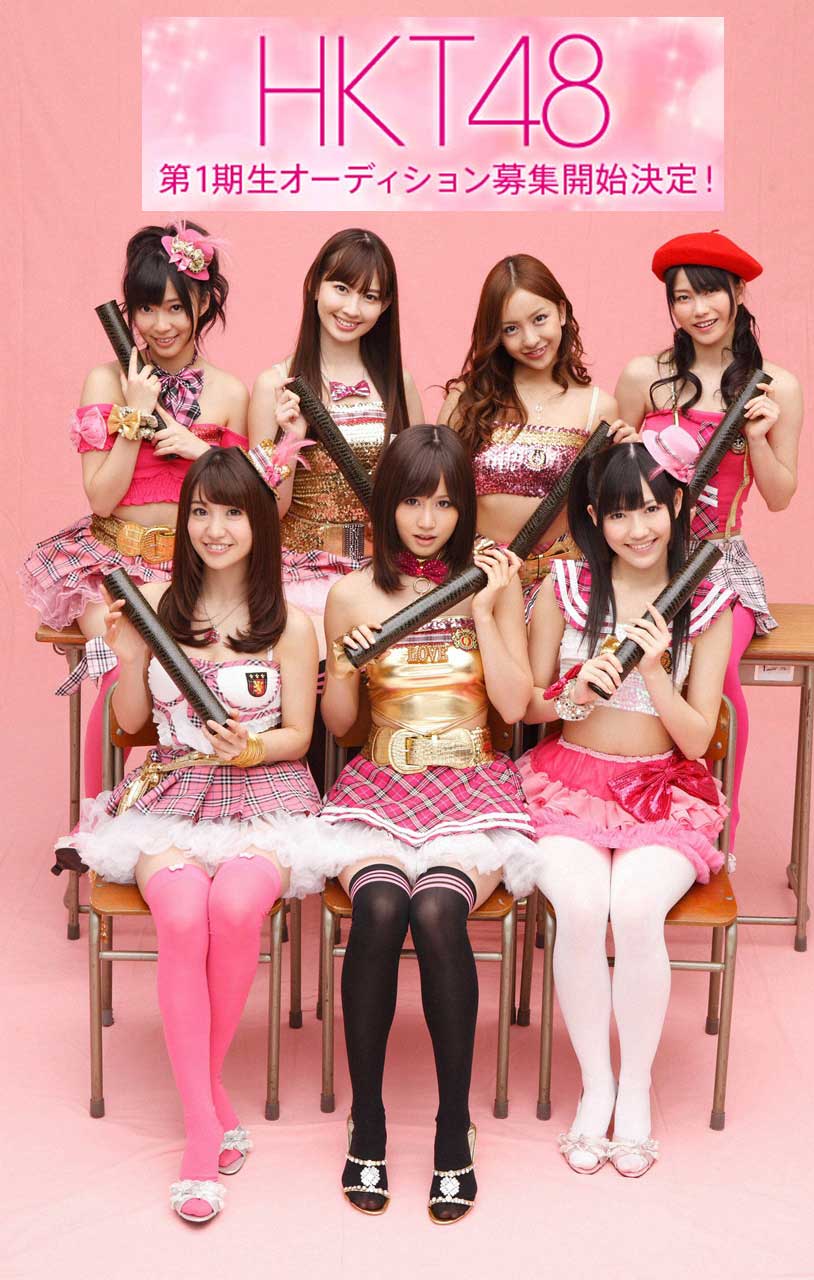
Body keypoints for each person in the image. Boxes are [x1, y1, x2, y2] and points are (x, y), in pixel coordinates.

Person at [70, 446, 331, 1224]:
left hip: (266, 795)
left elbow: (300, 734)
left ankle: (200, 1112)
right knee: (183, 917)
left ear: (260, 524)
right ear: (185, 521)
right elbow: (128, 722)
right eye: (202, 512)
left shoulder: (292, 624)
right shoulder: (154, 603)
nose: (215, 528)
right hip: (172, 794)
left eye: (233, 513)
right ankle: (204, 1118)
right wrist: (121, 651)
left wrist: (251, 747)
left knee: (236, 908)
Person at [320, 425, 537, 1222]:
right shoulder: (351, 595)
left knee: (439, 909)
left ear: (464, 510)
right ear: (386, 502)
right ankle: (368, 1121)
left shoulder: (494, 579)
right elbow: (342, 727)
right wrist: (344, 670)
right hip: (381, 780)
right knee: (381, 906)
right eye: (413, 500)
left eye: (445, 504)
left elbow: (515, 706)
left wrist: (484, 608)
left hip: (473, 783)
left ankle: (453, 1126)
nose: (427, 520)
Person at [518, 441, 734, 1177]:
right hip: (567, 783)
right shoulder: (566, 586)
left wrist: (655, 670)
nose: (637, 529)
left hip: (663, 791)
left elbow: (698, 738)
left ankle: (635, 1088)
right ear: (594, 518)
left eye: (650, 509)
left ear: (676, 507)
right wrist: (578, 692)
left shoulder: (707, 600)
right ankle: (596, 1087)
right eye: (618, 514)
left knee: (636, 910)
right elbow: (529, 705)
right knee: (581, 908)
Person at [20, 220, 248, 795]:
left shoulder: (229, 392)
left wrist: (201, 451)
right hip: (112, 566)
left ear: (203, 302)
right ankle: (97, 820)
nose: (160, 325)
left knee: (213, 678)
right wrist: (133, 418)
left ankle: (195, 806)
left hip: (196, 567)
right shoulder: (105, 379)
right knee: (121, 666)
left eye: (175, 307)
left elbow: (241, 504)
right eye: (146, 309)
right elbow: (100, 496)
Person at [614, 230, 803, 845]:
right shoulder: (645, 377)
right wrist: (621, 451)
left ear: (739, 293)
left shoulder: (776, 386)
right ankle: (636, 813)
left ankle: (721, 823)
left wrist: (759, 438)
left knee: (714, 678)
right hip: (643, 558)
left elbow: (779, 496)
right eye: (682, 297)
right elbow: (612, 480)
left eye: (710, 293)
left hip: (721, 561)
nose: (698, 309)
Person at [249, 227, 423, 655]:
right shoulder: (275, 384)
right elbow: (266, 511)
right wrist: (289, 441)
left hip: (380, 575)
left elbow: (419, 490)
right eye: (341, 288)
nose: (351, 308)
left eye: (369, 296)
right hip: (299, 577)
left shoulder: (399, 385)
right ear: (314, 286)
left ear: (385, 305)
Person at [438, 254, 617, 613]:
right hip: (475, 580)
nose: (531, 339)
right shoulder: (466, 399)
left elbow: (608, 510)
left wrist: (629, 455)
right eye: (511, 329)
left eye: (539, 319)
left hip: (562, 585)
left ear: (561, 312)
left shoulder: (599, 407)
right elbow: (436, 489)